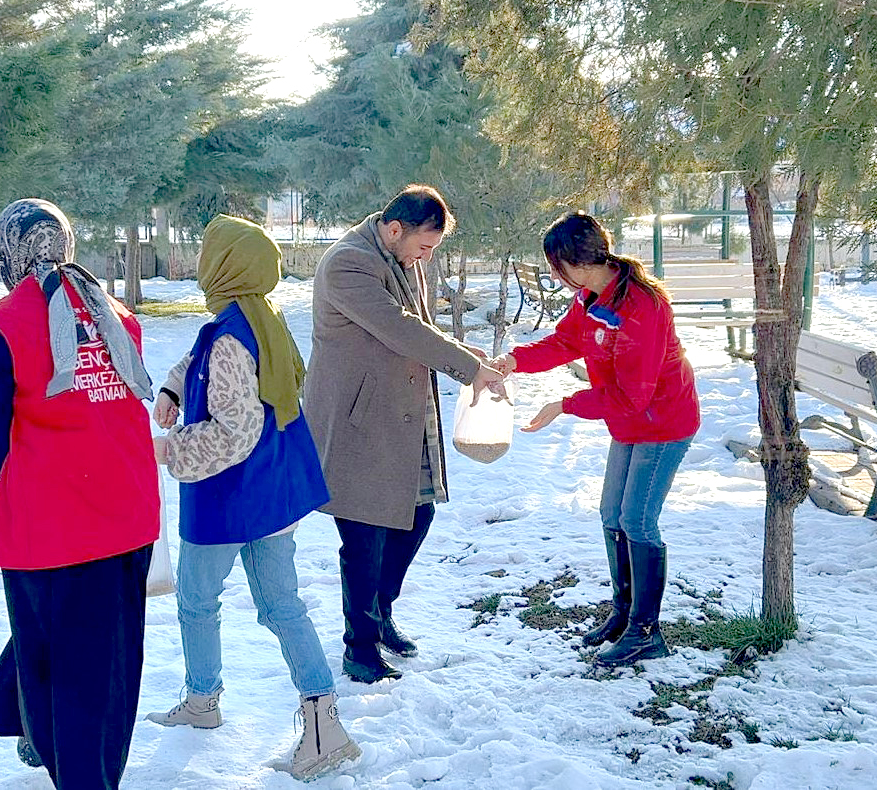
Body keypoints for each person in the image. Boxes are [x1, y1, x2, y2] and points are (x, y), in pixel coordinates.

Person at [0, 199, 159, 789]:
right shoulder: (115, 312)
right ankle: (58, 749)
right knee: (107, 665)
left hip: (51, 528)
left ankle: (73, 769)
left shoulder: (4, 326)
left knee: (55, 663)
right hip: (126, 517)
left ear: (6, 253)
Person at [144, 214, 361, 781]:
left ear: (224, 267)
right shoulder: (261, 318)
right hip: (274, 490)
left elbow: (233, 431)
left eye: (208, 255)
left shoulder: (227, 337)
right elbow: (207, 366)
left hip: (229, 497)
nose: (200, 265)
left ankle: (203, 699)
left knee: (197, 600)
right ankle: (323, 720)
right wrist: (173, 386)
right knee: (281, 605)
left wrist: (170, 451)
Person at [304, 184, 508, 684]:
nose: (427, 256)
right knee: (363, 536)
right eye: (424, 245)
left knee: (417, 516)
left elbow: (418, 327)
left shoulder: (398, 255)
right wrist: (465, 365)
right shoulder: (347, 263)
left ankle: (380, 614)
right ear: (395, 229)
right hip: (357, 421)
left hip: (397, 415)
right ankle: (360, 648)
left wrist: (470, 357)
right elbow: (397, 327)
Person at [492, 212, 700, 667]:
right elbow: (566, 343)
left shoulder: (642, 307)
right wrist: (514, 360)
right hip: (629, 421)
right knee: (612, 513)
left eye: (556, 266)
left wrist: (564, 405)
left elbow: (633, 393)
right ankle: (624, 615)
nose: (554, 275)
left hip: (662, 421)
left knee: (638, 519)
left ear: (578, 264)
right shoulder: (590, 296)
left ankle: (647, 632)